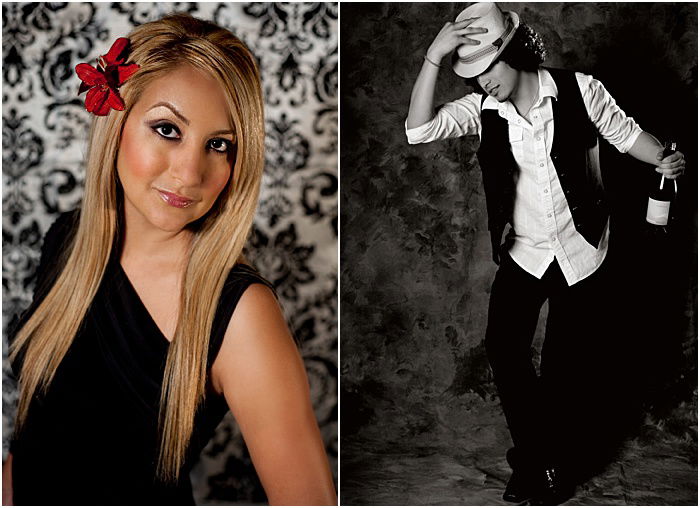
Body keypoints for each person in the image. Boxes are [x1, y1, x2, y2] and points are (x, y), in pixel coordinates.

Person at [2, 13, 336, 505]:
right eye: (167, 129)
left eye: (219, 145)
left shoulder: (242, 313)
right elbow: (38, 439)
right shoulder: (66, 241)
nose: (189, 173)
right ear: (117, 124)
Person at [406, 2, 685, 505]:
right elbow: (419, 130)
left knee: (562, 368)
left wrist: (665, 156)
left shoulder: (580, 89)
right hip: (524, 253)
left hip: (581, 249)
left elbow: (624, 136)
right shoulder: (484, 112)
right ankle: (542, 456)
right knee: (503, 350)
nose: (482, 82)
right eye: (471, 73)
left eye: (488, 67)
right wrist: (433, 57)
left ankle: (544, 468)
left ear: (515, 53)